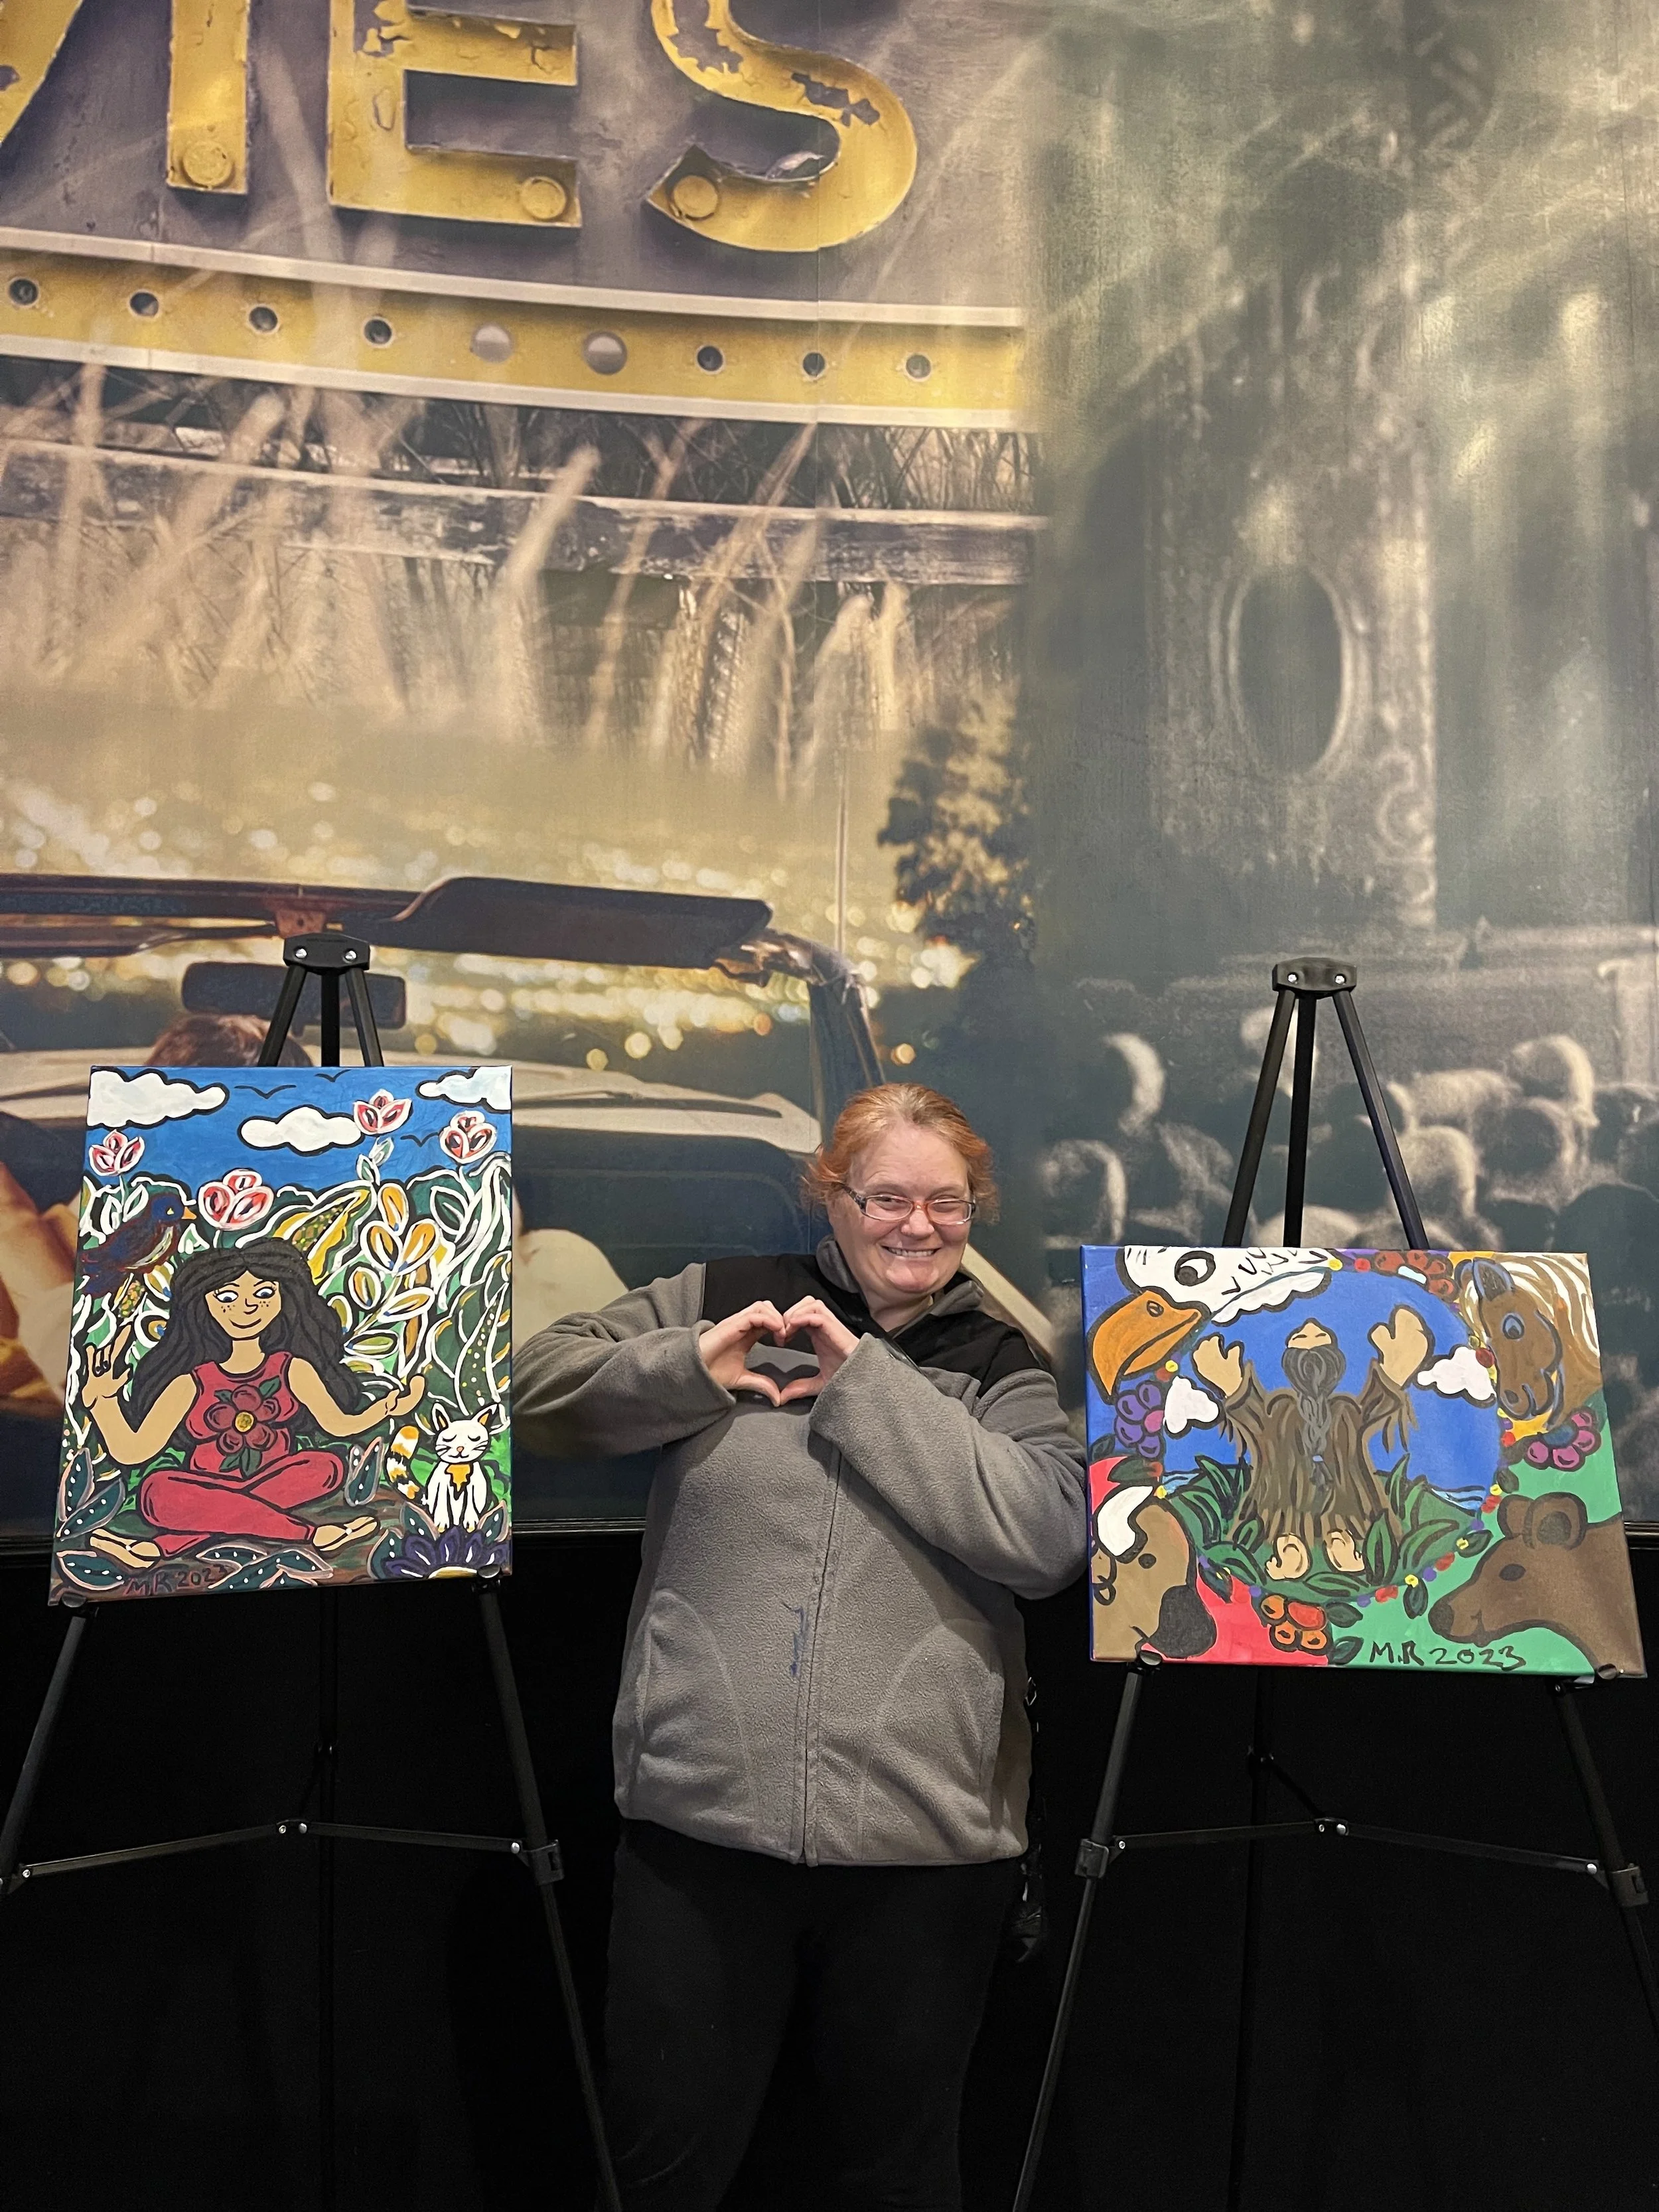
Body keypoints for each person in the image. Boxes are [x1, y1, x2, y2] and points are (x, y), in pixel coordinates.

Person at [514, 1082, 1086, 2212]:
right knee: (661, 2169)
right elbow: (534, 1393)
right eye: (886, 1196)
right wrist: (688, 1367)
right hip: (698, 1831)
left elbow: (1048, 1534)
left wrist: (866, 1380)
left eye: (947, 1200)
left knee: (897, 2178)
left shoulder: (998, 1354)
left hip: (925, 1850)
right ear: (832, 1197)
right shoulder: (724, 1298)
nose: (916, 1225)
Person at [78, 1238, 423, 1569]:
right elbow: (133, 1451)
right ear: (205, 1304)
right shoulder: (191, 1382)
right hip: (201, 1487)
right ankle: (313, 1535)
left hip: (278, 1477)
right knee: (157, 1493)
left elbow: (338, 1424)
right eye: (228, 1296)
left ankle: (155, 1549)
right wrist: (102, 1400)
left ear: (283, 1299)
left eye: (263, 1294)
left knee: (326, 1466)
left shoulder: (292, 1368)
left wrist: (388, 1408)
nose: (247, 1307)